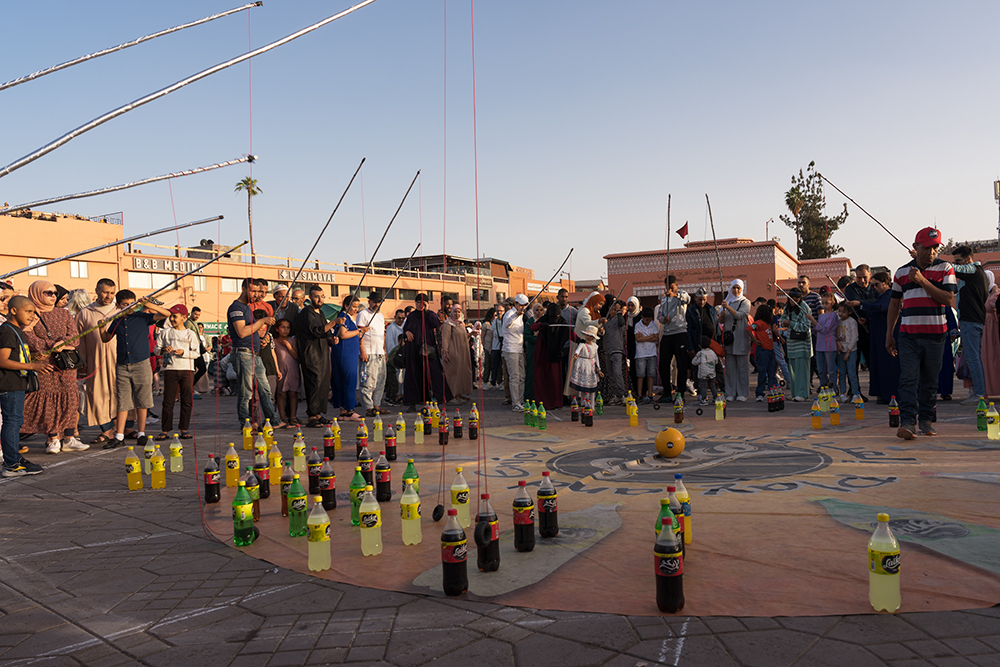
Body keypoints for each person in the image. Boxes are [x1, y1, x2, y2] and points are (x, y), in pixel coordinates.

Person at [886, 226, 957, 439]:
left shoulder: (945, 269)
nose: (931, 252)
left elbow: (948, 299)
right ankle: (908, 422)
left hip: (936, 336)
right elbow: (893, 305)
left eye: (935, 248)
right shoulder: (901, 273)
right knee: (908, 378)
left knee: (929, 381)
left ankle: (925, 421)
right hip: (908, 335)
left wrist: (922, 281)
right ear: (915, 247)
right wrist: (889, 334)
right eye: (926, 247)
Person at [21, 281, 87, 454]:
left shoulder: (64, 313)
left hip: (66, 364)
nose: (53, 296)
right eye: (48, 293)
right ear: (36, 294)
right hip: (44, 364)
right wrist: (53, 344)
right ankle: (53, 439)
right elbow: (29, 337)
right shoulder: (30, 314)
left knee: (70, 399)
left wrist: (62, 343)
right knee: (49, 401)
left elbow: (74, 336)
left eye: (54, 293)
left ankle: (70, 437)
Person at [102, 290, 172, 447]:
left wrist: (146, 304)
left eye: (131, 304)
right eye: (125, 305)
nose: (129, 307)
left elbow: (166, 314)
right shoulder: (116, 321)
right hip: (122, 365)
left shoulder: (142, 317)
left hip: (142, 364)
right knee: (123, 401)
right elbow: (106, 338)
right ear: (118, 305)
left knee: (143, 400)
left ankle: (141, 434)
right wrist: (101, 328)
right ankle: (119, 436)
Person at [0, 296, 56, 477]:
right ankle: (11, 464)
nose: (32, 316)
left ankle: (14, 458)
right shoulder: (7, 330)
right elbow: (3, 360)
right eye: (29, 311)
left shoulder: (17, 330)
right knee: (12, 422)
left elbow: (15, 355)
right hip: (9, 384)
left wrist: (32, 358)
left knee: (15, 421)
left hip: (17, 383)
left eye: (33, 312)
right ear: (14, 310)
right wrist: (33, 366)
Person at [226, 278, 281, 429]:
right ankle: (245, 423)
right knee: (246, 393)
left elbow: (251, 330)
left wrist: (259, 339)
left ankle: (274, 421)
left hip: (255, 354)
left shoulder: (247, 308)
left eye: (259, 291)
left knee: (265, 390)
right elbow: (242, 332)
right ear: (244, 289)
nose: (257, 294)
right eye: (253, 291)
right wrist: (263, 320)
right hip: (243, 355)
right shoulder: (236, 307)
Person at [76, 279, 120, 445]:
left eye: (112, 293)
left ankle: (122, 429)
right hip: (95, 363)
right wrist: (83, 363)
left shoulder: (120, 310)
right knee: (96, 397)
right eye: (105, 292)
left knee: (120, 396)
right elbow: (80, 341)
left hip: (119, 362)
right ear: (96, 290)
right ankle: (107, 431)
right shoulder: (86, 312)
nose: (108, 296)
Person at [153, 304, 200, 440]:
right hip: (170, 369)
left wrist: (184, 352)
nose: (172, 319)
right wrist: (162, 351)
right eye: (171, 316)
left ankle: (184, 429)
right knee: (168, 401)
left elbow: (197, 353)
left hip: (187, 369)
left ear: (184, 317)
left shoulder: (190, 333)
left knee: (187, 400)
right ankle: (165, 430)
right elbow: (156, 349)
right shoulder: (165, 332)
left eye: (175, 316)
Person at [951, 245, 989, 404]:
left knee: (973, 359)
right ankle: (975, 392)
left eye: (959, 261)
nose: (957, 264)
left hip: (971, 320)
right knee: (972, 358)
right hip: (971, 321)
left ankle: (979, 394)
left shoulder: (973, 270)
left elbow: (951, 268)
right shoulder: (974, 274)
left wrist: (930, 259)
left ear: (968, 259)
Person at [295, 284, 336, 427]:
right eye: (316, 296)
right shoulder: (307, 312)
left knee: (323, 383)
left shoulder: (321, 313)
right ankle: (311, 416)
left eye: (322, 296)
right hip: (311, 353)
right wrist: (334, 322)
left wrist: (332, 339)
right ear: (310, 298)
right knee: (314, 382)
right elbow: (317, 331)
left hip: (323, 352)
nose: (320, 299)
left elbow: (326, 332)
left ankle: (318, 414)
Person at [402, 293, 450, 410]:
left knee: (434, 373)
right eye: (418, 303)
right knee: (413, 374)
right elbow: (405, 329)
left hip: (427, 350)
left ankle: (441, 398)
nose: (419, 305)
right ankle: (412, 402)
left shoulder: (430, 315)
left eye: (422, 303)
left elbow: (436, 324)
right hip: (413, 350)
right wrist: (407, 332)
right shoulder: (411, 316)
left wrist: (427, 311)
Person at [860, 271, 900, 404]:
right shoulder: (882, 295)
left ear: (886, 283)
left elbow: (881, 307)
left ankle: (891, 394)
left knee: (889, 366)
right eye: (873, 286)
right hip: (878, 336)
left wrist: (860, 304)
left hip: (887, 335)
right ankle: (883, 393)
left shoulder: (890, 295)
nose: (875, 288)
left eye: (877, 285)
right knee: (880, 365)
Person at [330, 295, 367, 421]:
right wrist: (359, 331)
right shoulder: (344, 317)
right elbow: (343, 334)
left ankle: (344, 410)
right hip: (345, 355)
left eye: (357, 307)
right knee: (349, 381)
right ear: (346, 306)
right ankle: (350, 410)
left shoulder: (349, 318)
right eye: (354, 307)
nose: (356, 309)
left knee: (343, 382)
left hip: (347, 354)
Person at [529, 302, 568, 409]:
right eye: (553, 316)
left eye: (557, 316)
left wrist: (579, 340)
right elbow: (532, 327)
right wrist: (541, 325)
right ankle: (542, 401)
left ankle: (556, 402)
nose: (555, 318)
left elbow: (569, 332)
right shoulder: (544, 320)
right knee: (541, 377)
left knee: (555, 379)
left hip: (555, 352)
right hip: (543, 352)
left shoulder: (562, 322)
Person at [657, 276, 691, 397]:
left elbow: (687, 299)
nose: (670, 289)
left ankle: (681, 392)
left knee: (681, 363)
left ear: (676, 285)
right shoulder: (664, 299)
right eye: (668, 287)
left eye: (672, 287)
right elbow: (659, 316)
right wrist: (664, 319)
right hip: (667, 333)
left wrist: (675, 295)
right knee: (663, 364)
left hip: (680, 332)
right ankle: (667, 391)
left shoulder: (681, 295)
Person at [781, 288, 817, 401]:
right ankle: (794, 393)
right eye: (792, 300)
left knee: (802, 371)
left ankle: (803, 394)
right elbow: (782, 320)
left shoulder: (805, 307)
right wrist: (785, 322)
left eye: (796, 300)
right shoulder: (786, 308)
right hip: (791, 343)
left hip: (803, 344)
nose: (794, 302)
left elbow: (806, 326)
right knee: (793, 370)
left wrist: (790, 323)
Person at [356, 292, 387, 417]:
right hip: (368, 352)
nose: (377, 304)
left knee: (380, 381)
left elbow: (382, 335)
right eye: (374, 302)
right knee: (367, 381)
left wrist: (384, 351)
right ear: (369, 301)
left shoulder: (380, 316)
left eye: (379, 302)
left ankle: (376, 405)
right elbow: (359, 334)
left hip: (380, 352)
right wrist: (362, 350)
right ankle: (369, 407)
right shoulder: (362, 314)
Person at [721, 279, 752, 401]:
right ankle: (730, 393)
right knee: (730, 368)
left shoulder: (746, 302)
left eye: (738, 288)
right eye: (734, 288)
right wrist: (722, 316)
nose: (736, 290)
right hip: (730, 339)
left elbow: (739, 315)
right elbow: (721, 321)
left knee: (742, 368)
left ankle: (743, 393)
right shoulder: (727, 301)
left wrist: (727, 307)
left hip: (741, 338)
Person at [501, 294, 529, 411]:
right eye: (521, 305)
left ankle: (521, 401)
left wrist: (522, 349)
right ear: (516, 304)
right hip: (510, 349)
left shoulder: (522, 316)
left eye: (525, 305)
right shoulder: (509, 314)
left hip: (519, 349)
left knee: (522, 376)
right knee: (514, 376)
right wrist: (516, 314)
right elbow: (506, 323)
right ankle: (516, 403)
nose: (523, 307)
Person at [442, 304, 473, 402]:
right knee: (453, 374)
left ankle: (459, 395)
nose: (457, 314)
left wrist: (471, 334)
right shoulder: (448, 324)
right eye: (455, 311)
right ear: (451, 312)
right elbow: (445, 339)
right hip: (453, 352)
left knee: (461, 374)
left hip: (463, 352)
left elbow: (462, 337)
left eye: (459, 312)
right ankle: (452, 397)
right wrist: (445, 352)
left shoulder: (461, 323)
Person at [273, 318, 300, 426]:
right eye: (283, 327)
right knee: (281, 394)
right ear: (277, 329)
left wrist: (287, 345)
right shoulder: (274, 342)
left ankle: (293, 416)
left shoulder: (292, 340)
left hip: (292, 370)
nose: (285, 330)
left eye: (287, 327)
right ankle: (282, 417)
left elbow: (295, 355)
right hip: (281, 370)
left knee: (293, 393)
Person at [569, 324, 603, 409]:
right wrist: (576, 355)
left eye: (590, 336)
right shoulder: (582, 344)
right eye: (587, 335)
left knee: (592, 387)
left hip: (591, 366)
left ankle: (592, 405)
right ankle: (583, 404)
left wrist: (598, 369)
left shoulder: (595, 346)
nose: (588, 337)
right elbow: (578, 350)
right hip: (583, 365)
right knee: (583, 387)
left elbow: (596, 358)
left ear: (593, 337)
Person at [746, 304, 776, 401]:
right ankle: (760, 393)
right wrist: (754, 340)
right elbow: (749, 328)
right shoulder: (759, 323)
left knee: (772, 372)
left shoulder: (768, 324)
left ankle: (773, 389)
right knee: (763, 372)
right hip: (763, 350)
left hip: (770, 350)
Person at [602, 299, 627, 404]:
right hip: (607, 350)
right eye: (613, 309)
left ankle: (623, 394)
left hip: (616, 350)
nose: (614, 311)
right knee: (611, 374)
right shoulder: (606, 321)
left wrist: (619, 312)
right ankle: (616, 395)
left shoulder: (619, 319)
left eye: (616, 309)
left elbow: (622, 323)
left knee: (617, 373)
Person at [814, 292, 840, 390]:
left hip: (829, 345)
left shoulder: (833, 315)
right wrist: (815, 326)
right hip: (819, 345)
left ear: (833, 302)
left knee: (831, 369)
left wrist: (814, 323)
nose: (824, 305)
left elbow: (825, 329)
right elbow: (817, 330)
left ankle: (834, 388)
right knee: (821, 369)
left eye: (827, 303)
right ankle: (823, 386)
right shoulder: (821, 316)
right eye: (823, 303)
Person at [835, 302, 860, 400]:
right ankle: (842, 393)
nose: (841, 314)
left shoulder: (852, 322)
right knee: (841, 372)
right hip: (841, 350)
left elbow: (855, 337)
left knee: (851, 372)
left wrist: (849, 350)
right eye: (839, 311)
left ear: (849, 312)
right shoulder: (838, 321)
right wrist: (837, 343)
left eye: (843, 312)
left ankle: (855, 393)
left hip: (851, 350)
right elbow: (834, 334)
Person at [634, 306, 658, 402]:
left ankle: (650, 394)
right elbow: (638, 339)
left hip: (652, 353)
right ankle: (640, 395)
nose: (648, 322)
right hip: (641, 353)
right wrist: (650, 337)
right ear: (642, 317)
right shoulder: (638, 325)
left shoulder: (653, 325)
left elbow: (656, 338)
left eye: (649, 320)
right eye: (646, 320)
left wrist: (644, 337)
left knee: (651, 374)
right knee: (640, 375)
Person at [982, 271, 1000, 397]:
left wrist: (993, 294)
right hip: (983, 326)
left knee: (993, 355)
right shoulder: (981, 291)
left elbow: (992, 306)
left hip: (992, 326)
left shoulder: (995, 293)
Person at [523, 302, 544, 402]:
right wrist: (537, 339)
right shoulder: (530, 322)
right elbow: (526, 336)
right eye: (537, 310)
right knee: (531, 372)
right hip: (532, 349)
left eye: (541, 310)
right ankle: (530, 396)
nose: (539, 312)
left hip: (543, 350)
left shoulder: (545, 321)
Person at [691, 335, 720, 405]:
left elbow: (694, 362)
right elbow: (716, 361)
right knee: (712, 385)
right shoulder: (712, 352)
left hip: (702, 373)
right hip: (711, 372)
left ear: (699, 345)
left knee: (703, 386)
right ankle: (715, 398)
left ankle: (704, 399)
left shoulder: (700, 353)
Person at [385, 309, 406, 404]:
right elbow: (390, 346)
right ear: (395, 317)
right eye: (399, 318)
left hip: (403, 358)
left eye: (403, 318)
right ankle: (395, 397)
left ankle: (397, 395)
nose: (401, 320)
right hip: (395, 358)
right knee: (395, 381)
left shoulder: (404, 326)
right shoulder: (391, 328)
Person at [489, 303, 505, 389]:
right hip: (495, 346)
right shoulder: (494, 321)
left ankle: (501, 382)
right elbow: (492, 334)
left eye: (501, 311)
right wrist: (491, 346)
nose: (499, 312)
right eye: (498, 311)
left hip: (503, 346)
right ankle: (493, 382)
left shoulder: (505, 321)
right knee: (494, 365)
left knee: (502, 366)